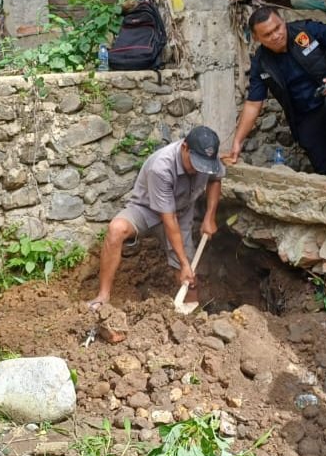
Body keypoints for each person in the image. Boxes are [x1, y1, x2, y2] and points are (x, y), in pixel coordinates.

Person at [88, 126, 224, 334]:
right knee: (116, 230)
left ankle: (194, 317)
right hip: (147, 208)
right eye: (196, 164)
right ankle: (103, 296)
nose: (199, 170)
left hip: (181, 210)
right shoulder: (161, 167)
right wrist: (184, 261)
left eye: (204, 166)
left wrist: (209, 216)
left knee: (189, 275)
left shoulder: (209, 160)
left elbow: (216, 179)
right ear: (185, 148)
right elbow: (168, 220)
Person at [225, 6, 326, 177]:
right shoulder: (261, 62)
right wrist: (237, 142)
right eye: (268, 34)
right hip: (305, 115)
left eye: (278, 28)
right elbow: (253, 104)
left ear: (283, 21)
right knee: (325, 170)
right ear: (256, 38)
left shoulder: (306, 31)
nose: (276, 35)